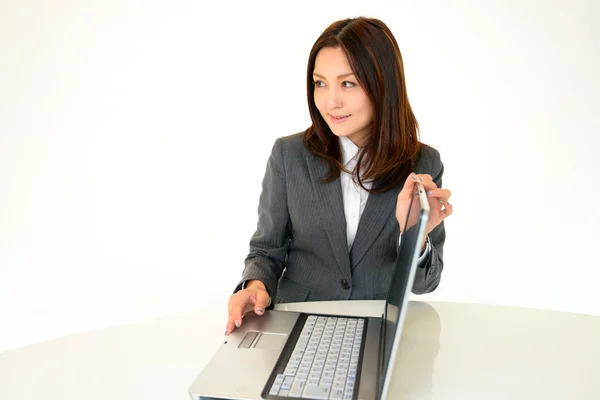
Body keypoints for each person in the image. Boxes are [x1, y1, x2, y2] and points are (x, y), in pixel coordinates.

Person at [225, 16, 453, 335]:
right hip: (299, 324)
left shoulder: (422, 163)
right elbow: (266, 251)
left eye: (348, 83)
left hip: (380, 330)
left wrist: (414, 234)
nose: (330, 101)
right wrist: (254, 284)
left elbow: (427, 284)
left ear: (383, 85)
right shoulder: (288, 155)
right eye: (320, 83)